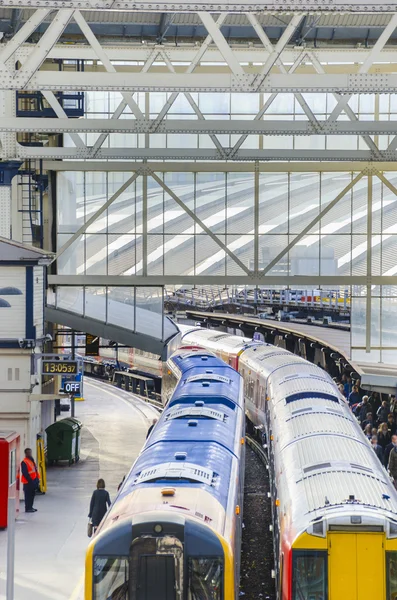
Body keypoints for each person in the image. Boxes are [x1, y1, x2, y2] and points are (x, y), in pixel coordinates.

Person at [20, 448, 40, 513]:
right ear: (25, 453)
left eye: (30, 452)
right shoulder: (24, 462)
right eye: (28, 452)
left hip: (34, 480)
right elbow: (25, 473)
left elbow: (35, 470)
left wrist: (37, 479)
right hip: (28, 482)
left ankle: (31, 507)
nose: (29, 453)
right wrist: (30, 480)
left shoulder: (31, 460)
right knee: (28, 495)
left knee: (32, 495)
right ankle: (27, 508)